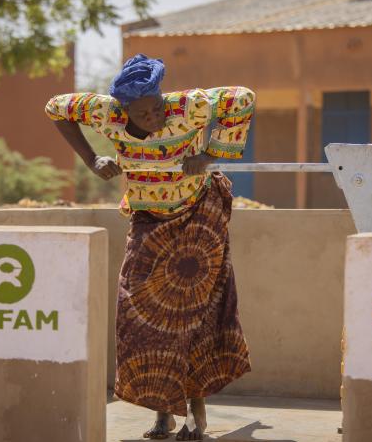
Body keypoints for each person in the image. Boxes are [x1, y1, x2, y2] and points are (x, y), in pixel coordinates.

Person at [45, 54, 254, 440]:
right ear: (124, 112)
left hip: (197, 217)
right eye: (144, 113)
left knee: (193, 315)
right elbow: (56, 108)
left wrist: (209, 155)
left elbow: (242, 98)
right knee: (139, 316)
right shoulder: (106, 113)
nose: (156, 116)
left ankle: (195, 414)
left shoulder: (186, 106)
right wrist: (92, 160)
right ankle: (164, 412)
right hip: (147, 220)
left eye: (157, 107)